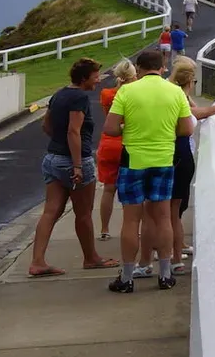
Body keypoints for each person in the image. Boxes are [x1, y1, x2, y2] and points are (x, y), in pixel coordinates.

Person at [132, 56, 215, 278]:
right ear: (191, 81)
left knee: (152, 213)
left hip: (164, 154)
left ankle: (147, 261)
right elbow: (189, 123)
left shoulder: (163, 94)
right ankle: (174, 261)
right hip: (182, 156)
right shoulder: (178, 96)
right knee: (173, 213)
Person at [103, 48, 193, 293]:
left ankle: (128, 277)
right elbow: (186, 129)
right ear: (162, 67)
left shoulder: (127, 90)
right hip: (164, 159)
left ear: (139, 68)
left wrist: (129, 129)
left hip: (133, 160)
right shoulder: (175, 91)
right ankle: (165, 275)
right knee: (163, 216)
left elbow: (110, 128)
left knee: (131, 219)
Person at [28, 58, 119, 277]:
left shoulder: (59, 94)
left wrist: (58, 144)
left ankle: (37, 261)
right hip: (74, 161)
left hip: (52, 158)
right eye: (96, 76)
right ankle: (91, 258)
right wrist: (77, 165)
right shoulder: (79, 97)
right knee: (84, 213)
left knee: (50, 211)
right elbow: (73, 131)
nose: (98, 80)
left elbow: (46, 125)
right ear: (84, 78)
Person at [94, 59, 138, 240]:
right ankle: (133, 228)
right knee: (133, 190)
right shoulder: (135, 94)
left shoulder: (106, 94)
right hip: (129, 143)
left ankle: (104, 229)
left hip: (108, 143)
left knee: (108, 189)